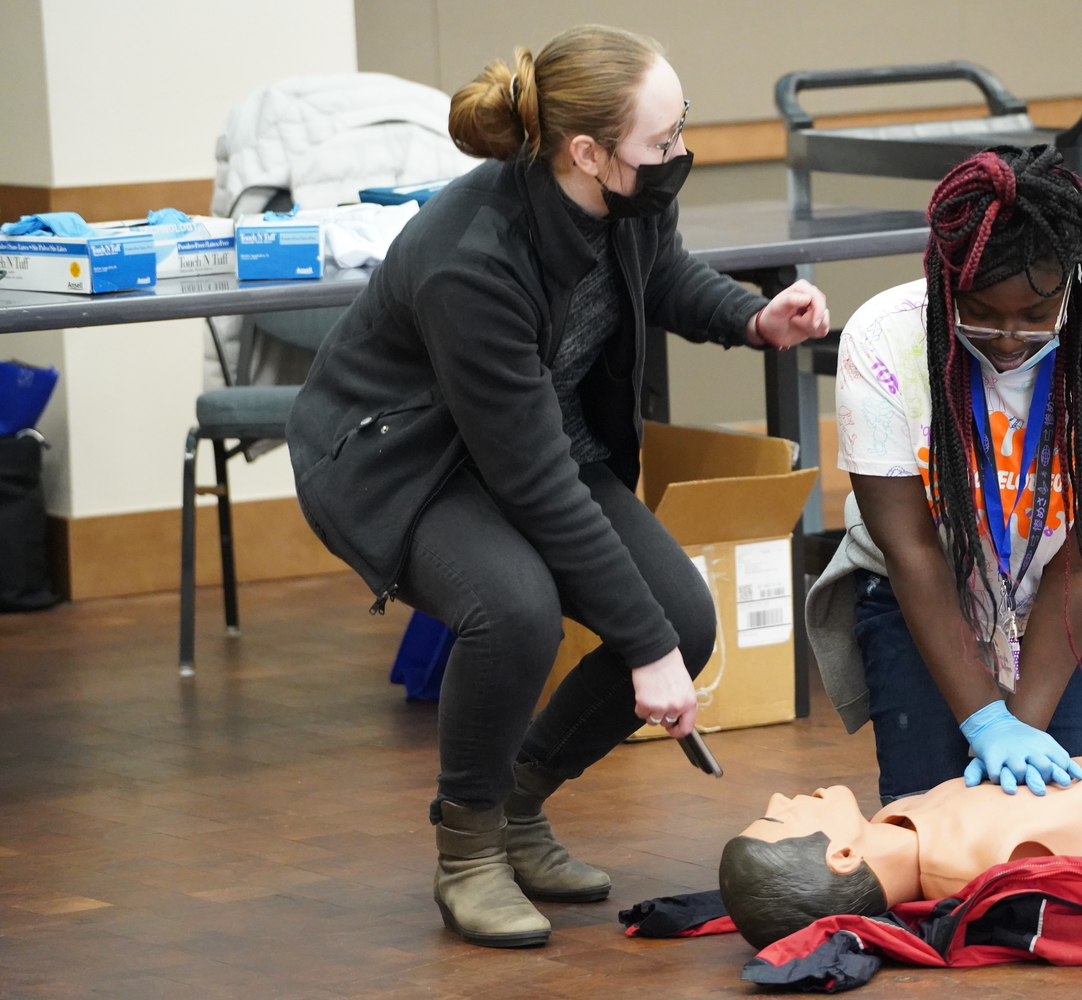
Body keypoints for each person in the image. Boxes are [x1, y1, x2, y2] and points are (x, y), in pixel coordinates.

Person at [286, 25, 830, 949]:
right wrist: (646, 653)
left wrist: (752, 318)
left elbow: (661, 277)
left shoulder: (626, 198)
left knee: (683, 618)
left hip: (529, 445)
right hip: (398, 463)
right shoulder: (473, 259)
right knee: (517, 610)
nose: (680, 156)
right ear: (587, 152)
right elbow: (531, 482)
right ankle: (466, 851)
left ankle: (516, 809)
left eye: (680, 130)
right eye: (662, 143)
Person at [807, 144, 1082, 805]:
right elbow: (910, 547)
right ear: (945, 283)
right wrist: (985, 722)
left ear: (1071, 286)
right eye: (982, 310)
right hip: (923, 584)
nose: (1008, 337)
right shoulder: (885, 341)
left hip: (1071, 581)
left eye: (1036, 316)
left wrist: (1020, 730)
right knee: (933, 826)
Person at [720, 749, 1082, 948]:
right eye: (778, 817)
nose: (779, 796)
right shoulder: (975, 858)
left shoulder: (911, 826)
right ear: (842, 855)